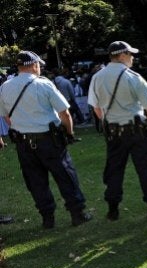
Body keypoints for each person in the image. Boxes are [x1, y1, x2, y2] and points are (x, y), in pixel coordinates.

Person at [0, 51, 91, 228]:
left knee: (35, 182)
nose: (40, 68)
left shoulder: (5, 87)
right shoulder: (43, 84)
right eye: (39, 65)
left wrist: (21, 127)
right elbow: (64, 112)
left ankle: (47, 218)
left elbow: (5, 117)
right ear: (34, 65)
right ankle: (77, 214)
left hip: (23, 142)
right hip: (49, 140)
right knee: (65, 176)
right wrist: (69, 133)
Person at [88, 41, 147, 220]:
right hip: (137, 131)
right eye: (130, 55)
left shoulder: (97, 77)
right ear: (122, 55)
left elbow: (96, 108)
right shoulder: (133, 77)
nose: (132, 58)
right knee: (146, 169)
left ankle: (113, 209)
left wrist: (109, 122)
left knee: (114, 170)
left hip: (114, 132)